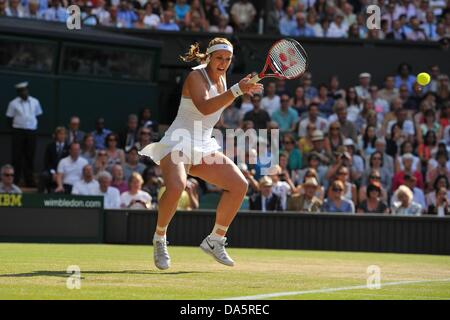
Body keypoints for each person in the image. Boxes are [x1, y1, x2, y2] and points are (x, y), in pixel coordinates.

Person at [138, 38, 262, 269]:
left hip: (204, 144)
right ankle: (160, 238)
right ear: (209, 57)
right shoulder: (196, 76)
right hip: (178, 141)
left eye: (228, 59)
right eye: (219, 58)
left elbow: (214, 113)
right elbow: (205, 106)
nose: (223, 63)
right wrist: (237, 90)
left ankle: (215, 240)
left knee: (239, 185)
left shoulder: (223, 79)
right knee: (176, 187)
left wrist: (240, 91)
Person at [6, 82, 43, 187]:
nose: (24, 92)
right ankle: (15, 180)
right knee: (17, 157)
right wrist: (16, 128)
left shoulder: (35, 101)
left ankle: (29, 181)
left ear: (28, 90)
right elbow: (9, 118)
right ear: (18, 92)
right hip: (18, 132)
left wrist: (31, 125)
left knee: (29, 156)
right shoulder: (13, 103)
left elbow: (38, 115)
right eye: (21, 91)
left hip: (31, 131)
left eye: (25, 90)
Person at [38, 127, 69, 193]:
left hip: (64, 172)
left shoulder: (68, 148)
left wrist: (60, 174)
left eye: (63, 134)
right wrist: (53, 173)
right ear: (56, 135)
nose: (62, 136)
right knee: (44, 175)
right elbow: (47, 162)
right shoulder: (50, 146)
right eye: (60, 134)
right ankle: (39, 196)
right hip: (52, 171)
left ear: (66, 136)